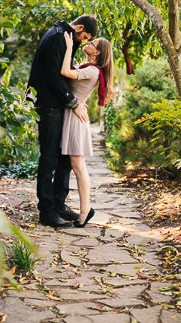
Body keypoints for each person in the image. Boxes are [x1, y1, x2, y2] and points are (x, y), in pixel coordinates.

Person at [28, 15, 99, 228]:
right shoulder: (58, 38)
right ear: (79, 27)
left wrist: (75, 101)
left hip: (58, 107)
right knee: (49, 160)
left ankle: (59, 205)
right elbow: (53, 76)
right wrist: (73, 101)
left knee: (63, 160)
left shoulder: (65, 36)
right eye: (84, 36)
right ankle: (46, 211)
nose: (82, 41)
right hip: (50, 106)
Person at [60, 32, 114, 227]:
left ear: (97, 52)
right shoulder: (87, 67)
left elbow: (66, 72)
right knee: (75, 166)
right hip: (72, 115)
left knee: (78, 167)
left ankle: (85, 211)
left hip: (75, 120)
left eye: (92, 42)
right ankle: (84, 209)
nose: (88, 42)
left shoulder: (92, 71)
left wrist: (67, 47)